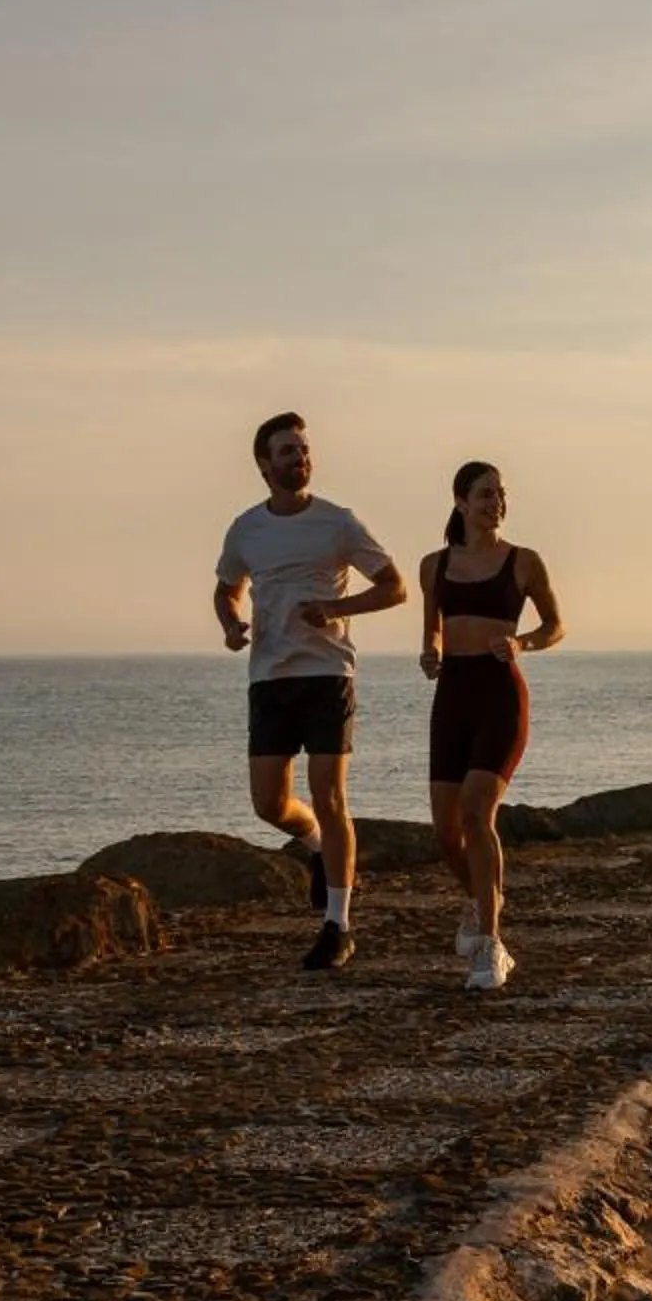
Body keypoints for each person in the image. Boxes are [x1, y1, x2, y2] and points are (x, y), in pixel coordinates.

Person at [214, 412, 407, 970]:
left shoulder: (338, 523)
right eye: (286, 451)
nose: (298, 458)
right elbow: (227, 590)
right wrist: (230, 626)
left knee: (331, 795)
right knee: (269, 803)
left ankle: (338, 925)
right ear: (263, 464)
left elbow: (394, 588)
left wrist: (336, 609)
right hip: (270, 676)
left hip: (329, 673)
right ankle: (321, 848)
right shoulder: (245, 528)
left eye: (303, 449)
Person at [418, 459, 564, 990]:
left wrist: (522, 643)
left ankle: (491, 945)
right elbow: (432, 629)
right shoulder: (434, 565)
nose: (495, 502)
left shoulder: (523, 562)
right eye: (484, 494)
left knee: (477, 812)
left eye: (500, 494)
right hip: (452, 694)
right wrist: (430, 654)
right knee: (445, 832)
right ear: (460, 501)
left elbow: (555, 625)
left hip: (501, 694)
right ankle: (480, 904)